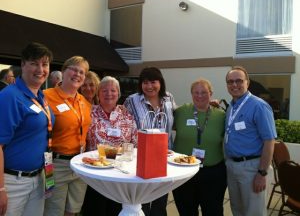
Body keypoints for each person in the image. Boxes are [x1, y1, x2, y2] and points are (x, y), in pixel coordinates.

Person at [0, 42, 54, 216]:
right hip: (13, 182)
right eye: (34, 63)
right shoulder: (10, 96)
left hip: (39, 177)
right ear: (23, 64)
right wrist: (0, 189)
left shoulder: (41, 95)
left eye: (44, 64)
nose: (40, 69)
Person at [124, 67, 176, 216]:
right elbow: (124, 123)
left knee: (160, 202)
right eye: (145, 82)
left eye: (153, 82)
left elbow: (176, 116)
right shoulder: (132, 100)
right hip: (141, 159)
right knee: (142, 201)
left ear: (160, 83)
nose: (149, 86)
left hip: (164, 158)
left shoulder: (169, 98)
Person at [224, 66, 276, 216]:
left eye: (239, 81)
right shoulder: (231, 107)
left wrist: (262, 173)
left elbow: (269, 141)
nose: (234, 85)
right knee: (237, 210)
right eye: (230, 82)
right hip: (233, 167)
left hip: (253, 169)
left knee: (254, 212)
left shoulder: (259, 106)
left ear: (247, 82)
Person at [82, 76, 137, 216]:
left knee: (116, 210)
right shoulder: (89, 113)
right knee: (95, 209)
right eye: (104, 90)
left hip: (119, 174)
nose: (109, 94)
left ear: (118, 94)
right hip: (95, 174)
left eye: (113, 90)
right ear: (98, 94)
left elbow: (134, 143)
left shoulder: (127, 115)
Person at [43, 56, 92, 216]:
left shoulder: (83, 101)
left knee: (73, 211)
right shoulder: (46, 96)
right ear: (63, 71)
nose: (78, 74)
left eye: (82, 72)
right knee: (52, 211)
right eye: (74, 69)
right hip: (54, 164)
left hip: (80, 164)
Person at [172, 78, 227, 216]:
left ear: (211, 93)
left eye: (204, 92)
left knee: (213, 211)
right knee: (186, 211)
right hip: (183, 173)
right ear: (191, 94)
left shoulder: (221, 115)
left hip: (213, 173)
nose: (200, 96)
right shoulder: (180, 112)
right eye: (196, 92)